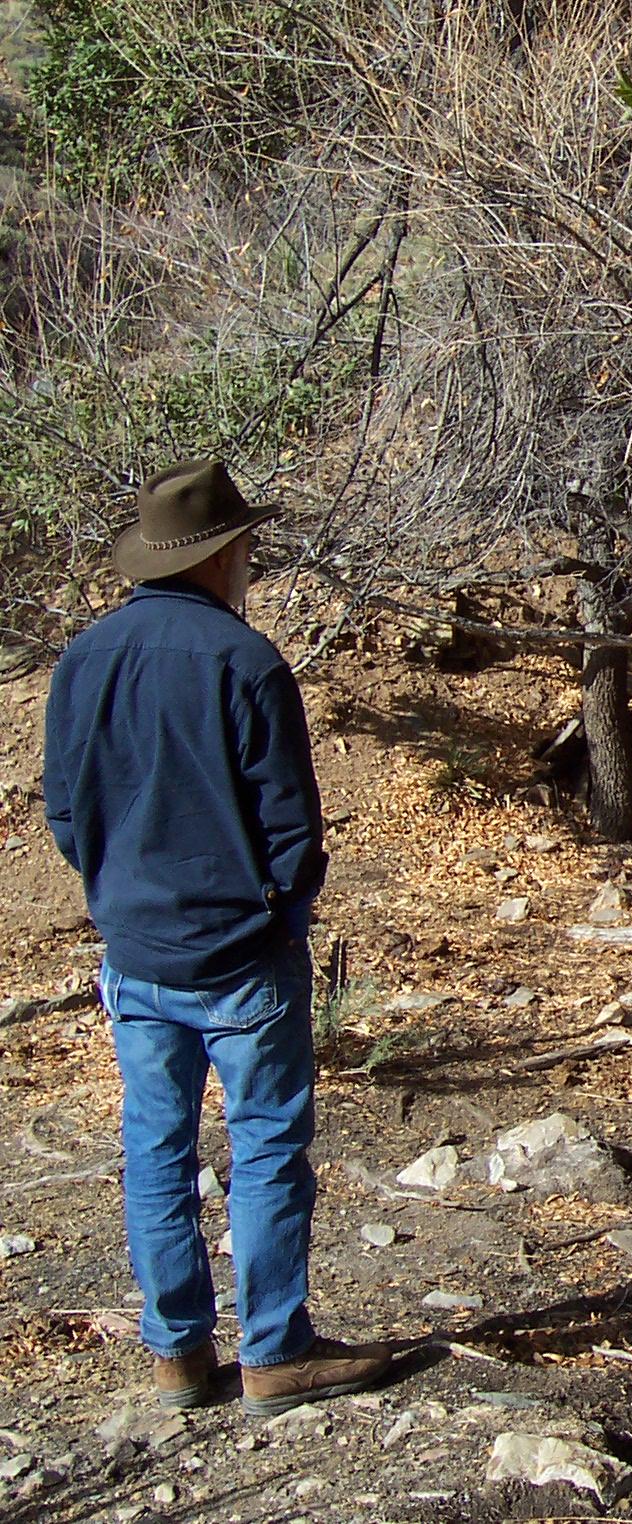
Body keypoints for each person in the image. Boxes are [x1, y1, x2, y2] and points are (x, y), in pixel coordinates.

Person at [42, 459, 391, 1416]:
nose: (249, 561)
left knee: (157, 1148)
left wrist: (117, 896)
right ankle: (275, 1352)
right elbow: (293, 829)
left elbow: (65, 812)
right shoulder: (246, 661)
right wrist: (281, 915)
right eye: (244, 547)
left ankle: (178, 1355)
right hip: (242, 955)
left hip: (137, 951)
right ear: (220, 554)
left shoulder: (84, 658)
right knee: (266, 1146)